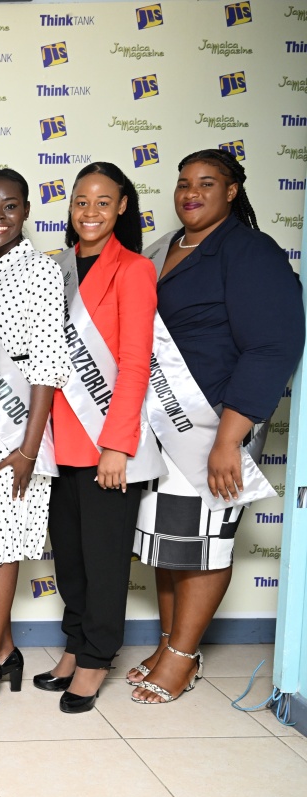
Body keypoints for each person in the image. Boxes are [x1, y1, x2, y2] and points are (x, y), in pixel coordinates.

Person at [128, 149, 304, 703]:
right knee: (167, 537)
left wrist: (230, 437)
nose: (191, 193)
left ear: (232, 192)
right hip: (160, 421)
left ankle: (181, 658)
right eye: (183, 183)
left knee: (203, 542)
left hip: (213, 425)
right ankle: (167, 643)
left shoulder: (250, 251)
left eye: (207, 183)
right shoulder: (163, 251)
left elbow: (273, 343)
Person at [36, 162, 161, 713]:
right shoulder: (54, 268)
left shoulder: (133, 270)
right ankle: (74, 642)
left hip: (104, 443)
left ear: (122, 208)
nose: (90, 212)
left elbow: (136, 362)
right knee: (69, 559)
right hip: (55, 442)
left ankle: (96, 657)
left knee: (104, 558)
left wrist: (119, 444)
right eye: (81, 201)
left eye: (103, 202)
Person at [0, 170, 71, 721]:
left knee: (0, 546)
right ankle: (4, 651)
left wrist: (27, 449)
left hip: (20, 433)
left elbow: (48, 366)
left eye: (9, 206)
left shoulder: (42, 272)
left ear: (26, 210)